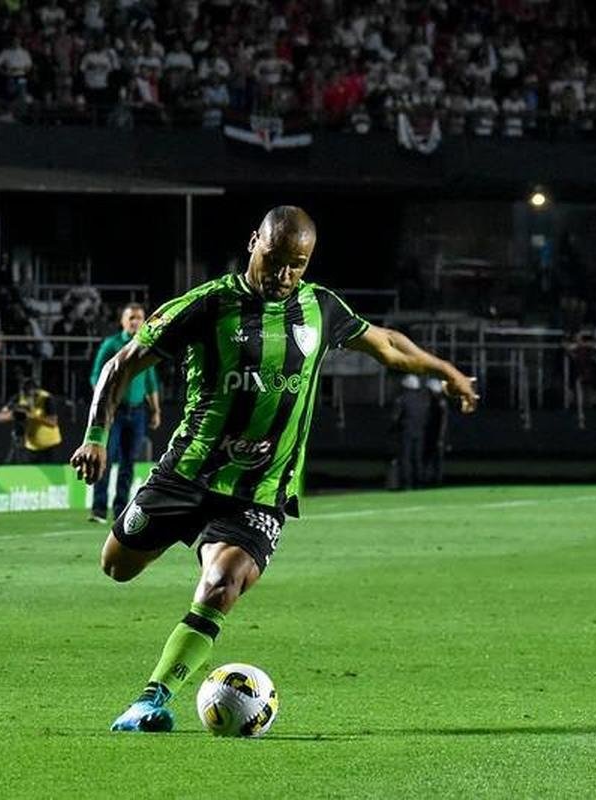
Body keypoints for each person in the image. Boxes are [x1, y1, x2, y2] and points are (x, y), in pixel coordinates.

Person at [69, 206, 478, 732]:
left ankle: (152, 699)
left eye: (298, 265)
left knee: (222, 583)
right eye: (275, 260)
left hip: (260, 491)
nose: (284, 276)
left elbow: (389, 346)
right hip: (186, 473)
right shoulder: (208, 304)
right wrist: (95, 437)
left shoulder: (321, 308)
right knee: (116, 567)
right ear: (253, 243)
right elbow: (122, 363)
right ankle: (182, 544)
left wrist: (446, 372)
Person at [88, 303, 161, 522]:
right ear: (122, 321)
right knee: (106, 458)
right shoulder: (112, 344)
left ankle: (120, 509)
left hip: (138, 412)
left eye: (139, 318)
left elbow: (150, 382)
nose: (135, 322)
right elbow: (96, 376)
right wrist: (104, 404)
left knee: (129, 463)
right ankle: (99, 509)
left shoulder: (147, 345)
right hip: (115, 412)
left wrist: (155, 410)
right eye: (131, 318)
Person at [0, 376, 62, 463]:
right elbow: (0, 417)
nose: (29, 398)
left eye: (31, 395)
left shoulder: (46, 398)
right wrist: (14, 414)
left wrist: (32, 417)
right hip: (26, 441)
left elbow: (53, 422)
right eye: (26, 394)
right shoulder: (18, 398)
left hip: (46, 442)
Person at [391, 374, 430, 490]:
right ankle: (419, 481)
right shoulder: (422, 400)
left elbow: (395, 417)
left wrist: (393, 429)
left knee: (406, 458)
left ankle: (406, 483)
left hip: (406, 431)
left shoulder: (402, 399)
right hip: (420, 432)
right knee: (417, 458)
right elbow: (426, 417)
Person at [423, 377, 449, 486]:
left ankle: (435, 480)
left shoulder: (439, 404)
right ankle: (432, 478)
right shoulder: (436, 403)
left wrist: (440, 438)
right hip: (433, 434)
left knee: (434, 459)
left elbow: (443, 422)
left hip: (435, 435)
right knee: (431, 458)